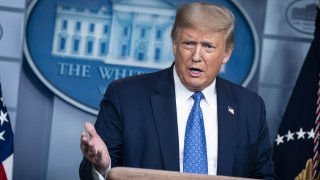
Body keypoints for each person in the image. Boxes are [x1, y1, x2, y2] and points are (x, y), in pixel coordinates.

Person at [79, 2, 276, 180]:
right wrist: (102, 167)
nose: (196, 56)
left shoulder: (250, 107)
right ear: (174, 45)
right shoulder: (125, 96)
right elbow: (90, 173)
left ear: (226, 53)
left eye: (208, 46)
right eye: (189, 43)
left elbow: (265, 176)